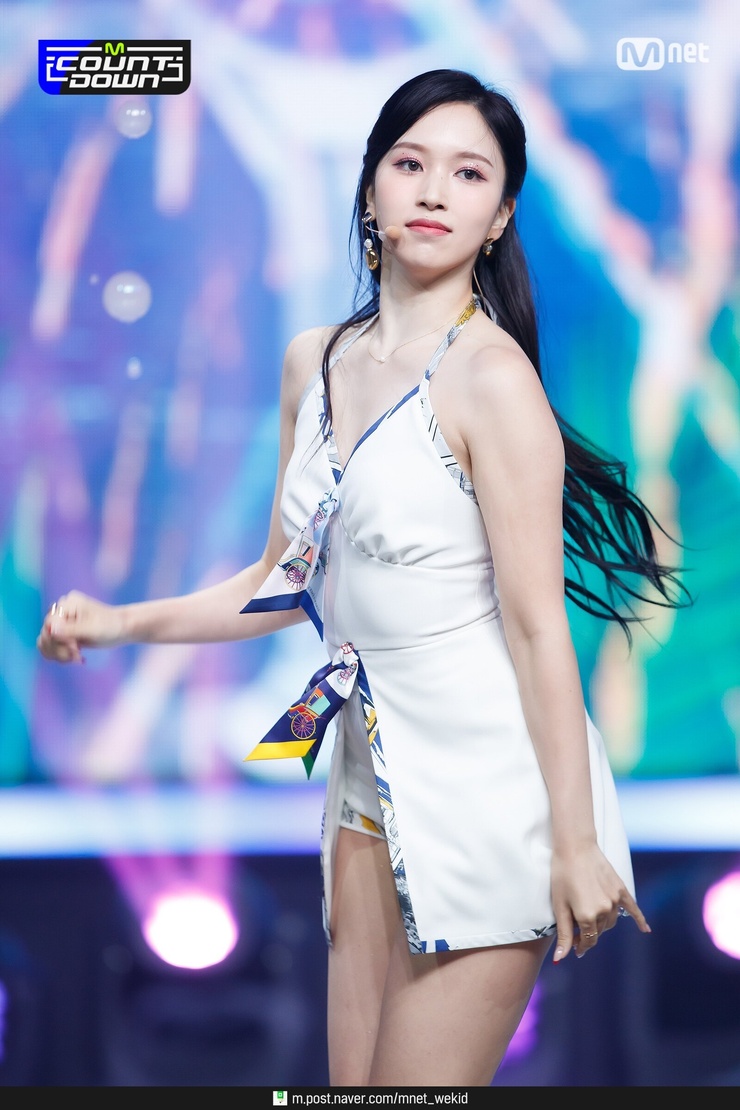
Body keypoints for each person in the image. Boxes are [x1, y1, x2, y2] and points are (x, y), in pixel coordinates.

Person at [38, 69, 687, 1086]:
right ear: (371, 188)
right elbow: (280, 580)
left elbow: (536, 630)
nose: (433, 191)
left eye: (468, 174)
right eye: (410, 163)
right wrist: (119, 623)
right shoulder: (316, 360)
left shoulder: (492, 380)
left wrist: (574, 841)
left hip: (489, 790)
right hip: (362, 779)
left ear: (499, 215)